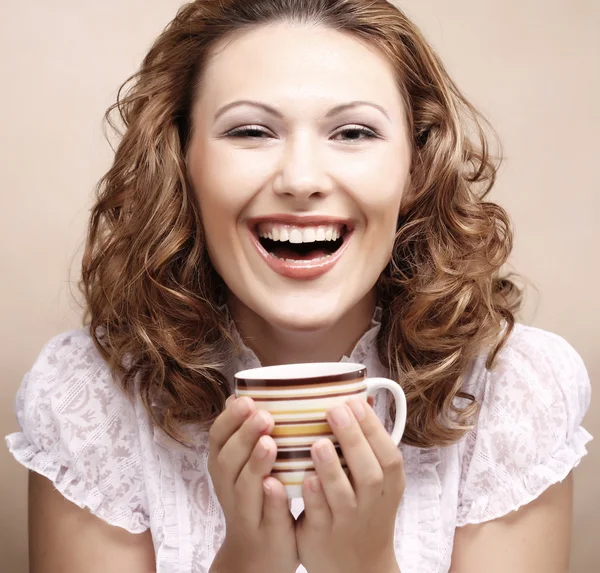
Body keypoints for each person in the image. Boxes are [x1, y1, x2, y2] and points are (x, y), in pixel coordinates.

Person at [5, 1, 592, 572]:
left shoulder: (515, 393)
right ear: (182, 163)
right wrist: (247, 566)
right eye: (253, 131)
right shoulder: (88, 399)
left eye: (355, 132)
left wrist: (364, 567)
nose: (302, 179)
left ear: (417, 165)